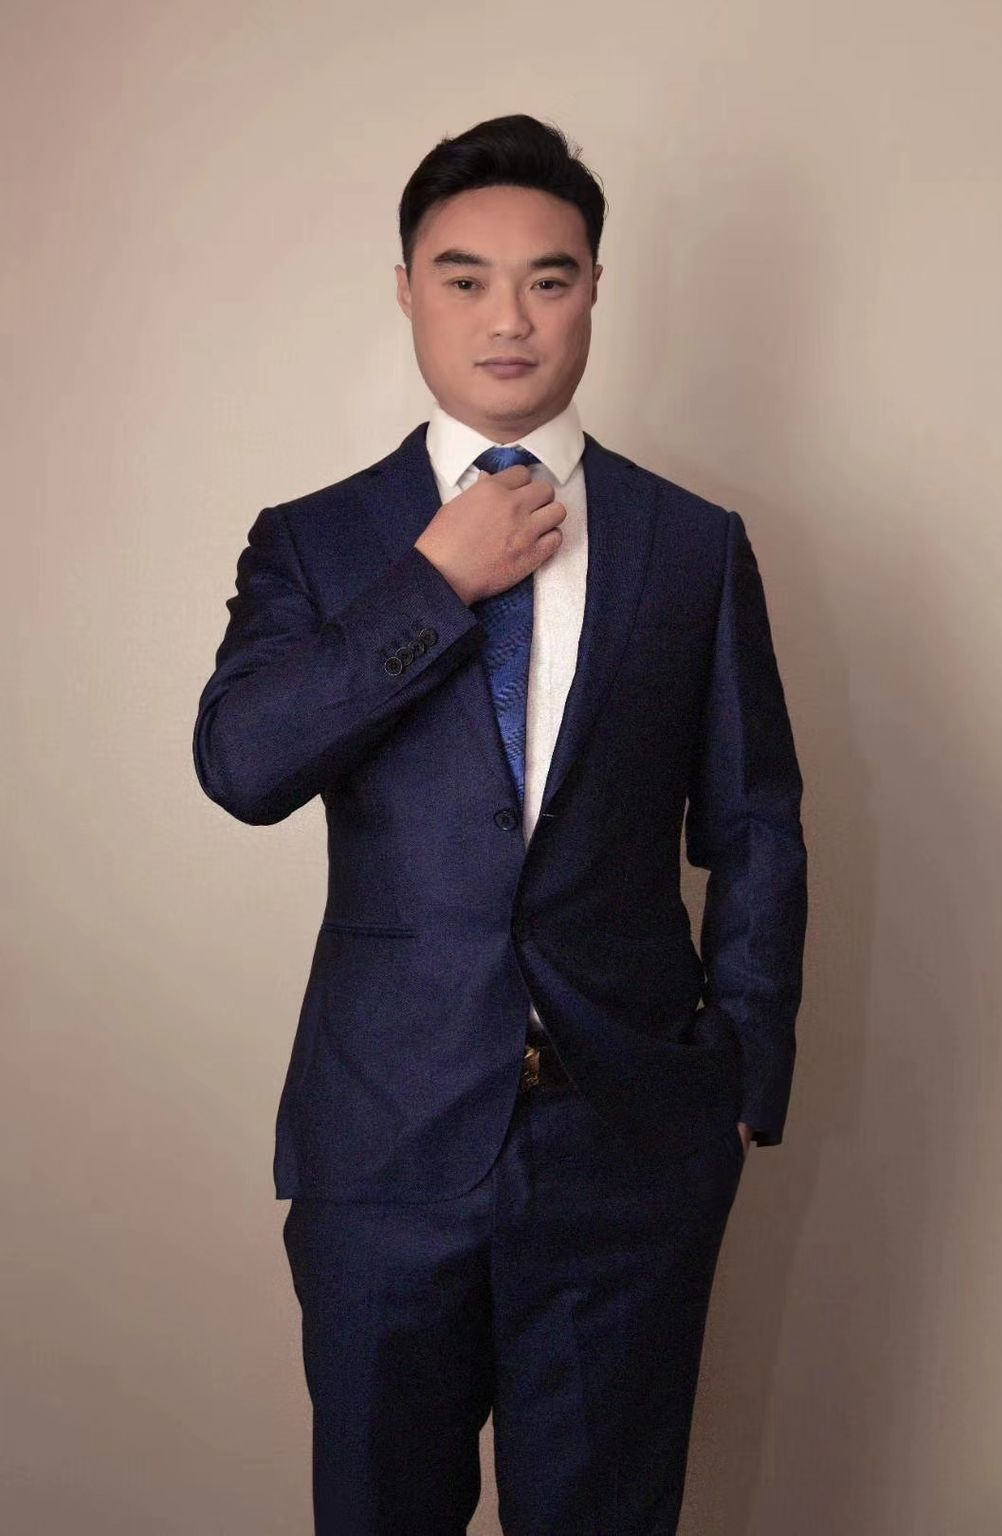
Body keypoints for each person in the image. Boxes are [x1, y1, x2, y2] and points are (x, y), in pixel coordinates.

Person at [192, 112, 808, 1536]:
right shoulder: (316, 541)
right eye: (464, 278)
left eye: (549, 277)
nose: (509, 318)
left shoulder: (693, 545)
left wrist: (739, 1077)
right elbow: (242, 765)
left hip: (627, 1149)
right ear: (407, 290)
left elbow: (757, 824)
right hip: (382, 1145)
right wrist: (433, 584)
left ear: (595, 291)